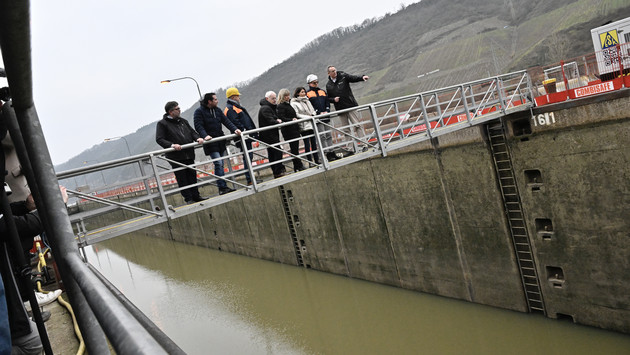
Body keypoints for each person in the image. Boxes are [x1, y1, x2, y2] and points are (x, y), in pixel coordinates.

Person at [156, 101, 206, 203]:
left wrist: (197, 138)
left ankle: (196, 196)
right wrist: (172, 145)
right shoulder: (162, 124)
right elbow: (160, 139)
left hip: (189, 153)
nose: (180, 110)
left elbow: (192, 132)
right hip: (176, 156)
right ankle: (188, 198)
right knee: (182, 177)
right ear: (171, 112)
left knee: (192, 175)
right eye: (177, 109)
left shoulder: (183, 121)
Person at [194, 93, 242, 195]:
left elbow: (226, 121)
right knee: (218, 163)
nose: (217, 101)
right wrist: (205, 136)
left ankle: (223, 186)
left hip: (220, 141)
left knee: (221, 163)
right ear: (209, 101)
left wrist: (235, 129)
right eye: (215, 99)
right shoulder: (199, 112)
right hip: (210, 142)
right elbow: (198, 126)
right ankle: (222, 187)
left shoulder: (217, 110)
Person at [325, 66, 370, 153]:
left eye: (335, 70)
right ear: (328, 73)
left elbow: (353, 78)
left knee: (357, 125)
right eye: (332, 71)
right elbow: (328, 98)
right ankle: (350, 149)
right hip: (340, 109)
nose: (335, 72)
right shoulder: (328, 85)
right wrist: (333, 100)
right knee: (346, 129)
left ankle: (365, 144)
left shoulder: (343, 76)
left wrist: (362, 77)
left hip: (350, 105)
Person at [223, 88, 260, 186]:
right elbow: (235, 122)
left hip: (246, 136)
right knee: (247, 157)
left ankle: (251, 178)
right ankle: (250, 179)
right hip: (242, 137)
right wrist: (244, 131)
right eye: (238, 96)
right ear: (233, 97)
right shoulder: (230, 108)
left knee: (249, 157)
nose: (239, 98)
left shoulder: (234, 107)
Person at [306, 74, 338, 162]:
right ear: (309, 83)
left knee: (328, 135)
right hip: (317, 118)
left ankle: (332, 152)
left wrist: (327, 110)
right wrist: (318, 112)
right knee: (322, 136)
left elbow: (327, 101)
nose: (316, 84)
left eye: (317, 82)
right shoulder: (307, 94)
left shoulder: (322, 91)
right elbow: (309, 106)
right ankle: (326, 153)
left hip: (326, 116)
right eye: (314, 83)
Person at [276, 89, 305, 172]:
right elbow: (282, 118)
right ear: (282, 97)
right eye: (286, 96)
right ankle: (298, 165)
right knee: (294, 149)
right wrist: (291, 119)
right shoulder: (281, 106)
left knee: (295, 148)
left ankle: (298, 165)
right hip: (289, 130)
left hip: (293, 129)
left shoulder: (287, 104)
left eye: (288, 95)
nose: (288, 97)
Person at [258, 91, 284, 178]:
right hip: (269, 135)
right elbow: (270, 120)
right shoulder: (265, 108)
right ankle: (278, 171)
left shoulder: (268, 107)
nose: (275, 100)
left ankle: (277, 171)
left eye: (275, 98)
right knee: (277, 152)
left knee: (273, 153)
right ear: (267, 99)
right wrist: (277, 121)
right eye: (273, 98)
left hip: (270, 135)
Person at [290, 87, 320, 165]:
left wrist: (313, 114)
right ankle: (310, 162)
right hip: (303, 125)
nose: (304, 93)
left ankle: (317, 160)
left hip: (311, 123)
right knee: (307, 144)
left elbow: (312, 110)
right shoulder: (294, 103)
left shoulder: (307, 100)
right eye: (302, 92)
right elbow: (296, 114)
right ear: (297, 93)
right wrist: (307, 117)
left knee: (314, 143)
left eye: (304, 92)